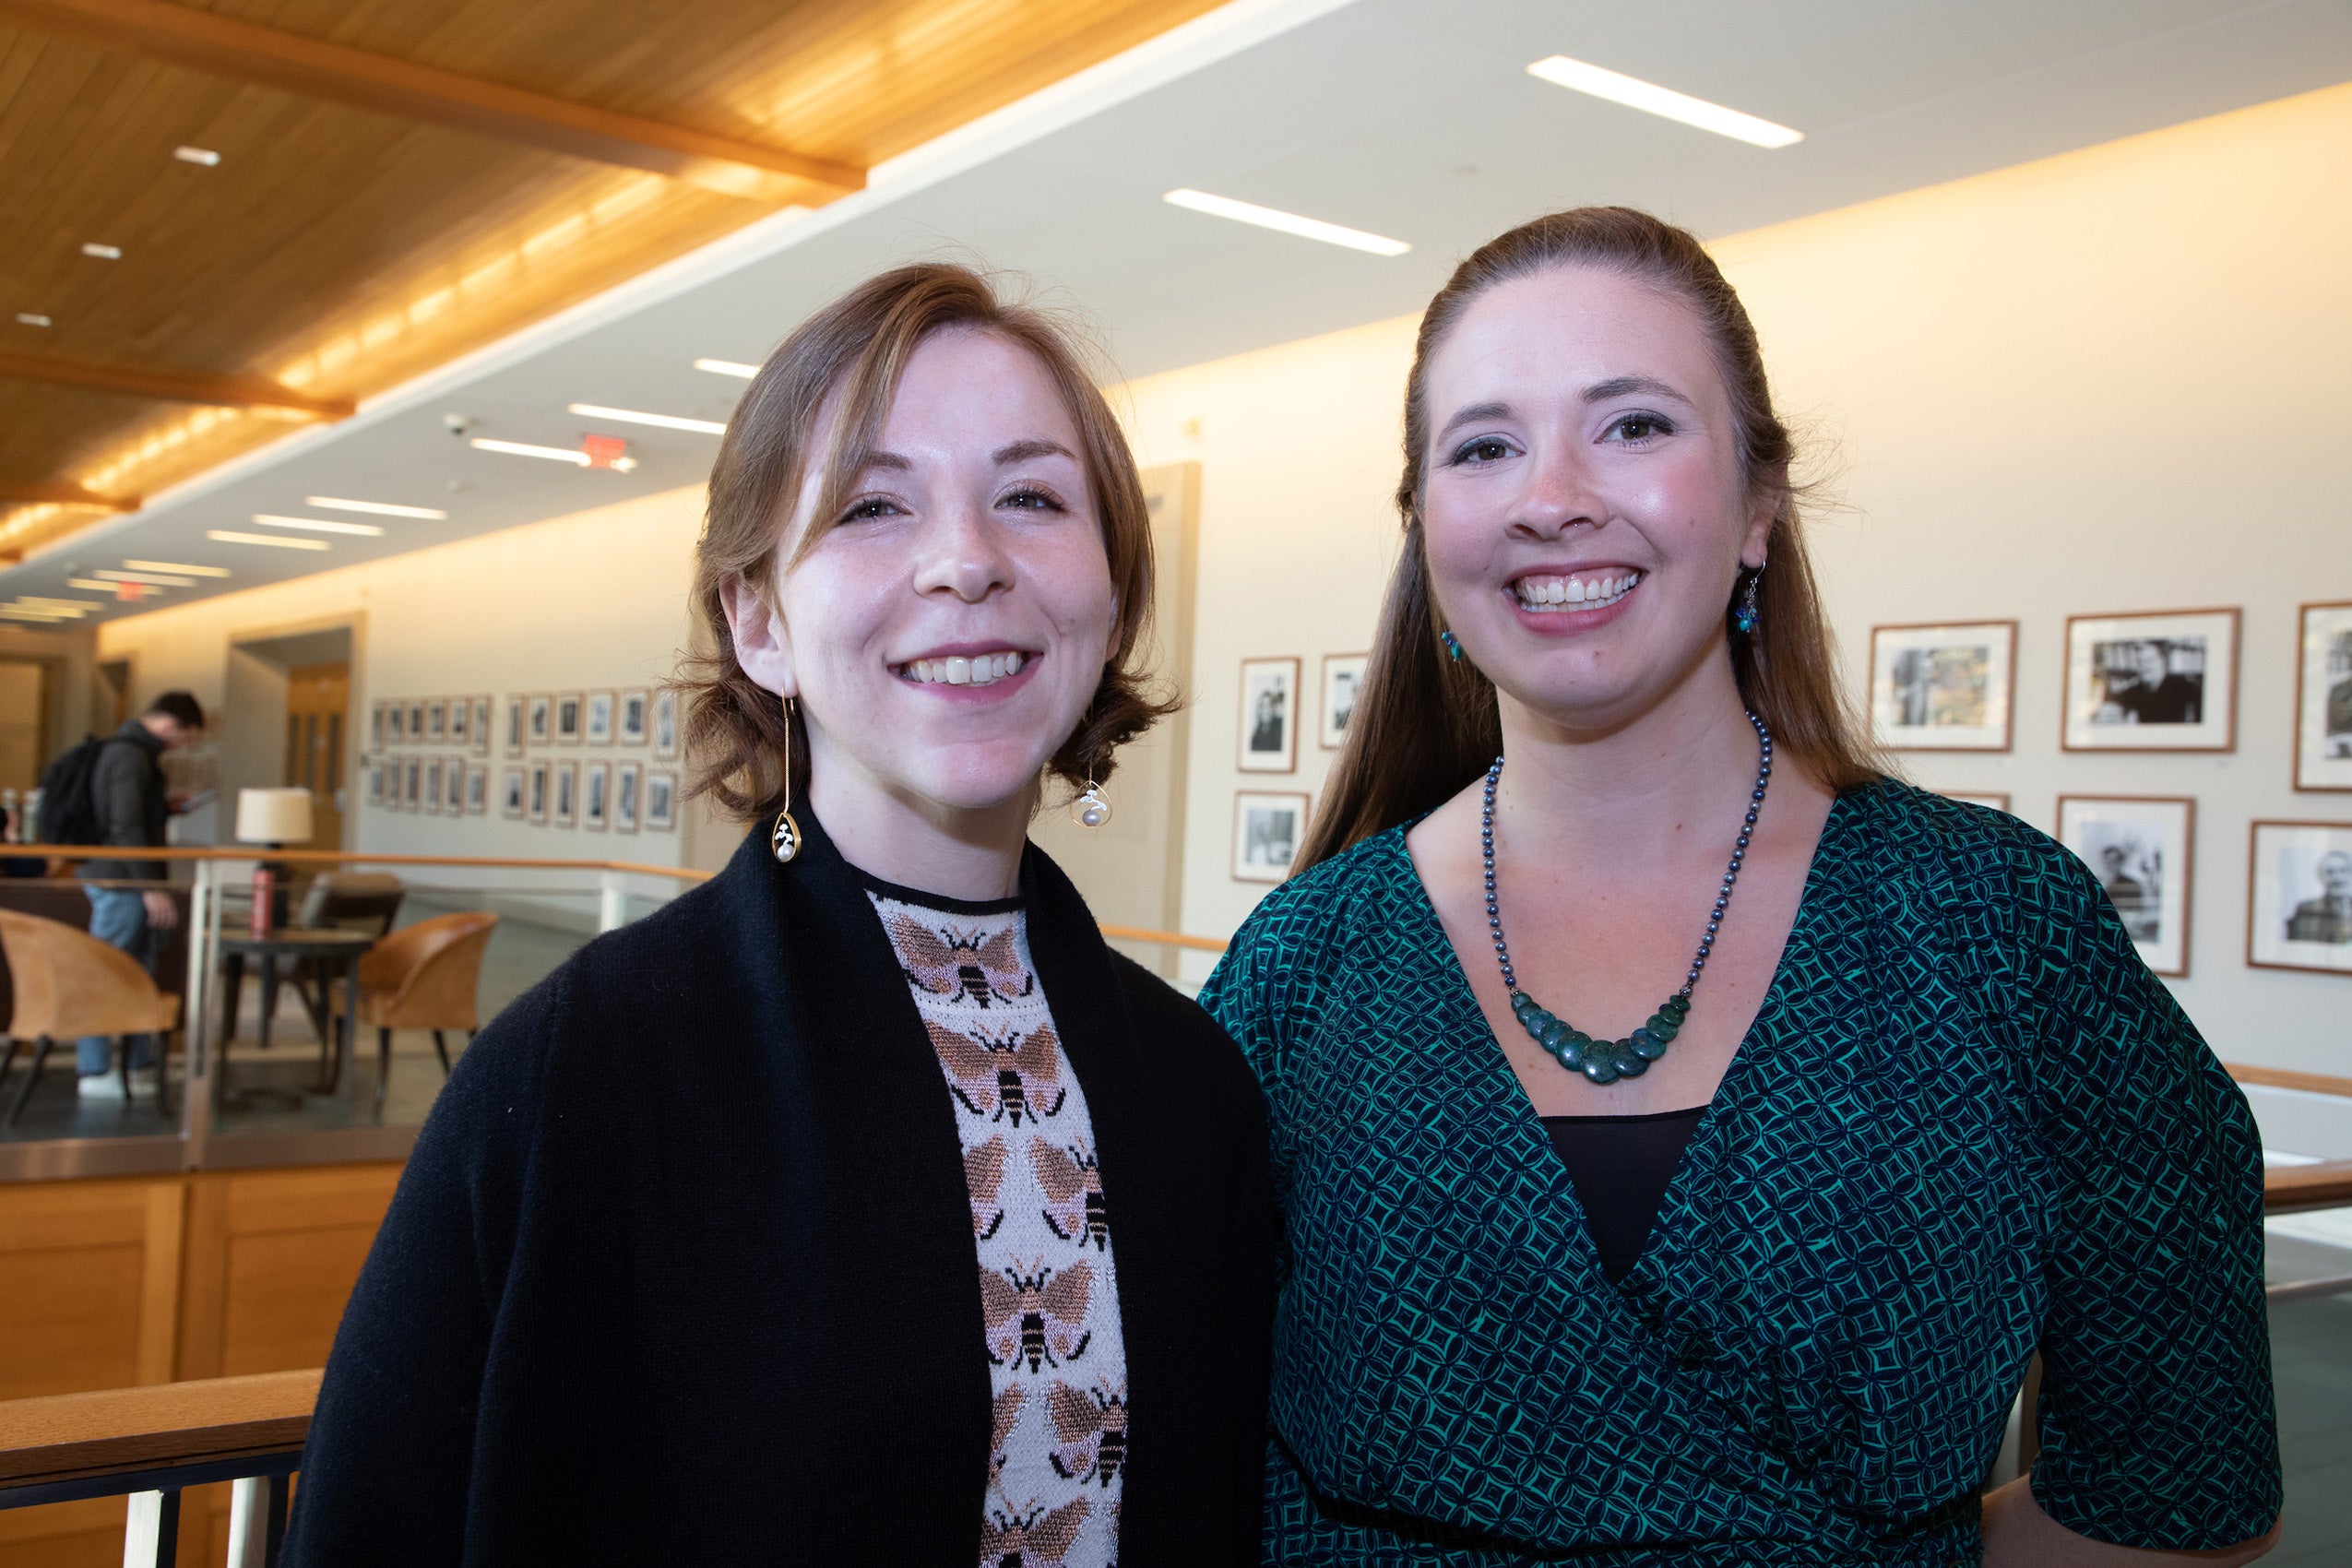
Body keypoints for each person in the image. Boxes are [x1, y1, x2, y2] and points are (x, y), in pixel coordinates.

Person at [1199, 208, 2279, 1565]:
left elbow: (2177, 1490)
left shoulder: (2000, 936)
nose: (1552, 495)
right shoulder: (1304, 970)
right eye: (1484, 447)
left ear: (1760, 502)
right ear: (1426, 532)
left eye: (1634, 426)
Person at [285, 264, 1276, 1565]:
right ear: (757, 622)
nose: (966, 560)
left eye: (1030, 497)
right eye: (873, 505)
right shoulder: (586, 1069)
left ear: (1111, 592)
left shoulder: (1193, 1084)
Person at [77, 692, 204, 1099]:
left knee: (136, 972)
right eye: (185, 737)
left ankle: (137, 1064)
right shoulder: (129, 756)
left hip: (124, 880)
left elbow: (131, 817)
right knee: (107, 971)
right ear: (171, 726)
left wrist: (167, 809)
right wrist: (150, 888)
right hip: (122, 883)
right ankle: (95, 1070)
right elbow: (125, 827)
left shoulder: (131, 754)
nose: (180, 745)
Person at [2286, 849, 2352, 943]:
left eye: (2343, 871)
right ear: (2321, 877)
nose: (2337, 878)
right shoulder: (2306, 908)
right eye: (2330, 872)